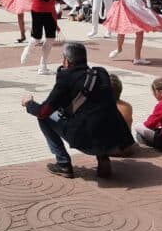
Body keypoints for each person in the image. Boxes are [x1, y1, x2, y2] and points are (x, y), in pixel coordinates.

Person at [22, 42, 134, 178]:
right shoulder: (101, 73)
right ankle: (103, 159)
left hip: (86, 140)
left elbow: (44, 111)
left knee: (44, 118)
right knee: (98, 114)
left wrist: (29, 104)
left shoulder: (66, 79)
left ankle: (63, 163)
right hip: (117, 137)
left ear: (66, 61)